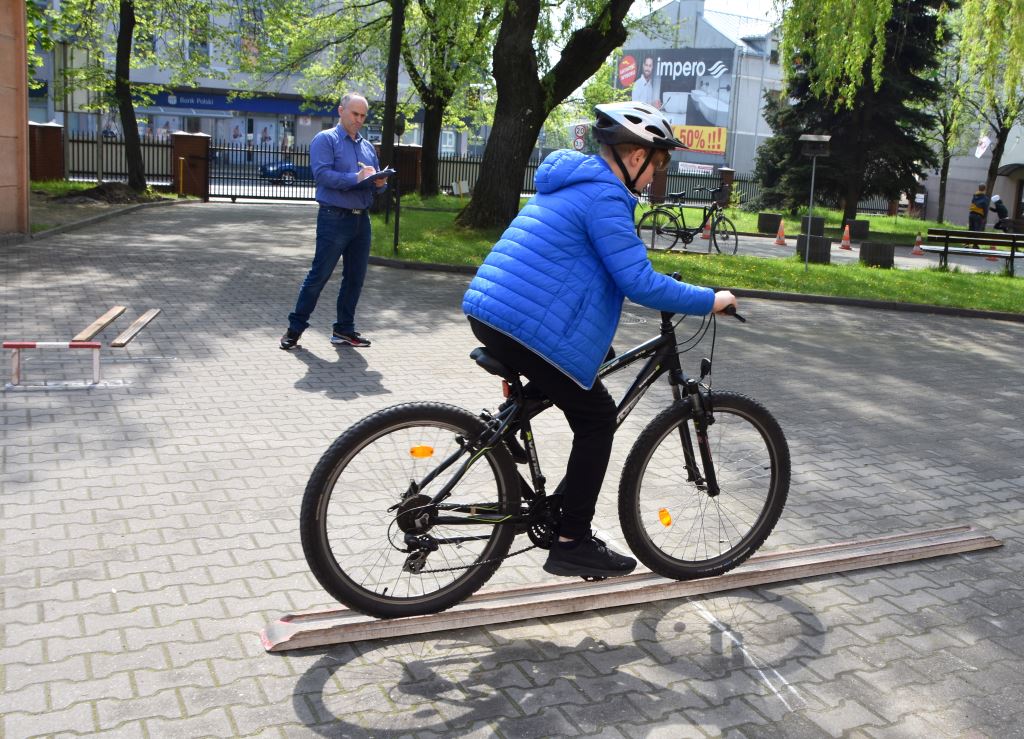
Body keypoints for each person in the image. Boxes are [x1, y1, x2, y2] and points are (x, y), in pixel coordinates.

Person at [462, 102, 737, 579]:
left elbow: (582, 269)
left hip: (496, 312)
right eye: (658, 165)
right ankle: (572, 542)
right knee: (597, 418)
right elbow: (639, 282)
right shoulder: (606, 197)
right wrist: (711, 298)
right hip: (523, 323)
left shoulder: (576, 182)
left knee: (588, 366)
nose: (655, 177)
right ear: (636, 157)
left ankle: (511, 436)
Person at [280, 93, 390, 350]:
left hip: (362, 221)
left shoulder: (367, 147)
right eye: (355, 114)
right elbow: (323, 175)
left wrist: (380, 183)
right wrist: (356, 178)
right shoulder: (326, 139)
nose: (359, 120)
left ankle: (344, 330)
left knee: (355, 278)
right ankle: (294, 330)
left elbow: (373, 186)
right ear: (341, 111)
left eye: (363, 116)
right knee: (319, 275)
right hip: (334, 218)